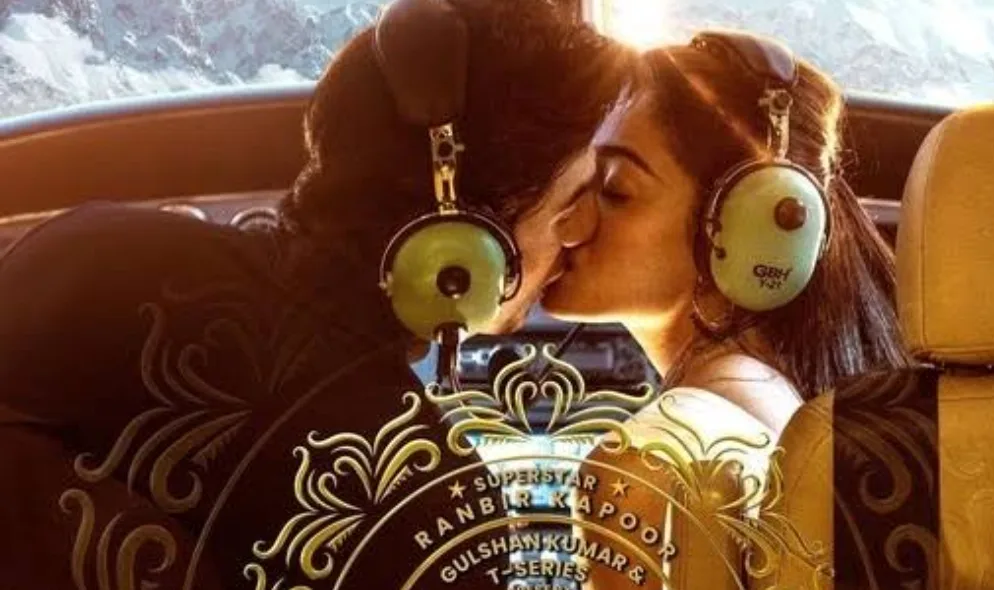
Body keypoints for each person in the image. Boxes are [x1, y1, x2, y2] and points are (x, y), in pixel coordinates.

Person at [0, 1, 630, 588]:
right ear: (461, 234)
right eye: (573, 202)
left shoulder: (79, 247)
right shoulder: (431, 509)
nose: (582, 235)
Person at [543, 30, 910, 589]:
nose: (568, 224)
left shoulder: (647, 464)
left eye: (615, 190)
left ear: (751, 229)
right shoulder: (774, 395)